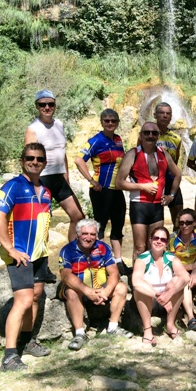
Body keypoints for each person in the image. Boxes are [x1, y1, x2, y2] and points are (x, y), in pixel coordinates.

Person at [0, 142, 53, 371]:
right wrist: (10, 249)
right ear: (22, 161)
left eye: (39, 159)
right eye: (30, 158)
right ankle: (9, 356)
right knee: (24, 300)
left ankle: (27, 342)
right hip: (19, 254)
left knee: (36, 296)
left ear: (44, 163)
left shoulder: (46, 189)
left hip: (38, 254)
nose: (34, 162)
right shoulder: (13, 186)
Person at [58, 219, 132, 351]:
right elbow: (66, 276)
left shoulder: (103, 247)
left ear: (97, 235)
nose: (88, 238)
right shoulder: (67, 250)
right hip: (80, 289)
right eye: (85, 234)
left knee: (121, 287)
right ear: (77, 235)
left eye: (92, 234)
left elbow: (114, 272)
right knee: (71, 292)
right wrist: (87, 291)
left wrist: (106, 291)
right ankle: (80, 333)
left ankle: (113, 327)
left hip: (101, 287)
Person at [116, 121, 181, 264]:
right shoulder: (133, 154)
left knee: (157, 246)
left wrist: (171, 195)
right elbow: (119, 182)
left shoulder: (163, 154)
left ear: (158, 136)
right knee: (140, 247)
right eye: (146, 133)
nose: (150, 136)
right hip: (139, 206)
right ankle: (136, 281)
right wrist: (143, 187)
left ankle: (153, 279)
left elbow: (177, 174)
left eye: (154, 133)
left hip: (157, 207)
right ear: (141, 135)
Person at [24, 89, 84, 241]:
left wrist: (66, 175)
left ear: (55, 105)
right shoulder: (33, 129)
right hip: (42, 179)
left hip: (59, 178)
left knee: (78, 216)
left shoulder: (59, 124)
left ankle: (71, 255)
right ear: (37, 106)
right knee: (41, 222)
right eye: (42, 104)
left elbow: (61, 151)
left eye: (50, 104)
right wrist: (31, 184)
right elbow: (29, 159)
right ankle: (39, 261)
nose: (47, 107)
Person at [74, 109, 127, 275]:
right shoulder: (96, 140)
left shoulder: (118, 140)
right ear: (102, 122)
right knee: (101, 226)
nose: (110, 123)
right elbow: (78, 160)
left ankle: (117, 261)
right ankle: (101, 259)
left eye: (113, 121)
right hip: (101, 190)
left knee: (118, 225)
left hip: (117, 190)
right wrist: (91, 180)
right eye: (107, 121)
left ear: (117, 122)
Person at [132, 226, 190, 344]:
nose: (159, 241)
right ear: (150, 240)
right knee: (142, 287)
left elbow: (185, 277)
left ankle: (170, 324)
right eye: (156, 238)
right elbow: (136, 282)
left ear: (167, 243)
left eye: (163, 239)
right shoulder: (142, 259)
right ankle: (147, 330)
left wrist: (168, 294)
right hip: (149, 300)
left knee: (177, 282)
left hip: (167, 301)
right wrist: (158, 296)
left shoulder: (171, 258)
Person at [154, 102, 184, 230]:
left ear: (171, 117)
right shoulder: (148, 133)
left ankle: (176, 246)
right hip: (154, 182)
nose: (165, 116)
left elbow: (175, 160)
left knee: (179, 219)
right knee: (155, 221)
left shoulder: (176, 138)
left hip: (171, 180)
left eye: (168, 113)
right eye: (162, 113)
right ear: (155, 115)